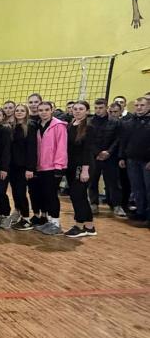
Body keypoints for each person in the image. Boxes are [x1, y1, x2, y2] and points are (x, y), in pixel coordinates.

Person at [31, 101, 68, 235]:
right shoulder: (37, 125)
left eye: (46, 109)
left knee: (52, 195)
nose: (43, 112)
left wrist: (59, 166)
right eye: (41, 110)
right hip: (40, 167)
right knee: (45, 195)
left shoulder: (59, 126)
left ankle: (56, 223)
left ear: (52, 110)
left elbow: (62, 147)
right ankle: (50, 221)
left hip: (53, 167)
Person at [63, 101, 97, 237]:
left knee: (77, 195)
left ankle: (79, 225)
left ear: (87, 111)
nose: (77, 111)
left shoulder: (89, 127)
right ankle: (89, 226)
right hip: (71, 166)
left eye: (81, 109)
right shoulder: (71, 125)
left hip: (82, 166)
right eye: (75, 109)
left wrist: (85, 170)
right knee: (80, 196)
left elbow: (87, 150)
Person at [88, 98, 125, 217]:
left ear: (106, 108)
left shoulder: (115, 122)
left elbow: (118, 139)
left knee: (113, 182)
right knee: (92, 181)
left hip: (111, 157)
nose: (98, 110)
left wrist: (108, 152)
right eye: (96, 108)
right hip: (94, 157)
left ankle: (116, 205)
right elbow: (89, 140)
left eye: (101, 108)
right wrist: (98, 153)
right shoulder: (89, 122)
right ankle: (94, 203)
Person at [119, 96, 150, 226]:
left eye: (142, 105)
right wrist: (122, 157)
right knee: (137, 188)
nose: (139, 108)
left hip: (147, 162)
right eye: (137, 105)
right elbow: (123, 141)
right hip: (132, 160)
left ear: (149, 106)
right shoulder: (129, 122)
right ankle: (140, 212)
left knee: (148, 189)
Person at [10, 104, 39, 231]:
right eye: (17, 110)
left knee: (21, 192)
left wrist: (30, 168)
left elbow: (32, 149)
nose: (19, 112)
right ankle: (22, 216)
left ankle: (26, 219)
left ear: (26, 113)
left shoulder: (30, 126)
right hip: (13, 166)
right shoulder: (12, 126)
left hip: (24, 166)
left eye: (22, 110)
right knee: (15, 192)